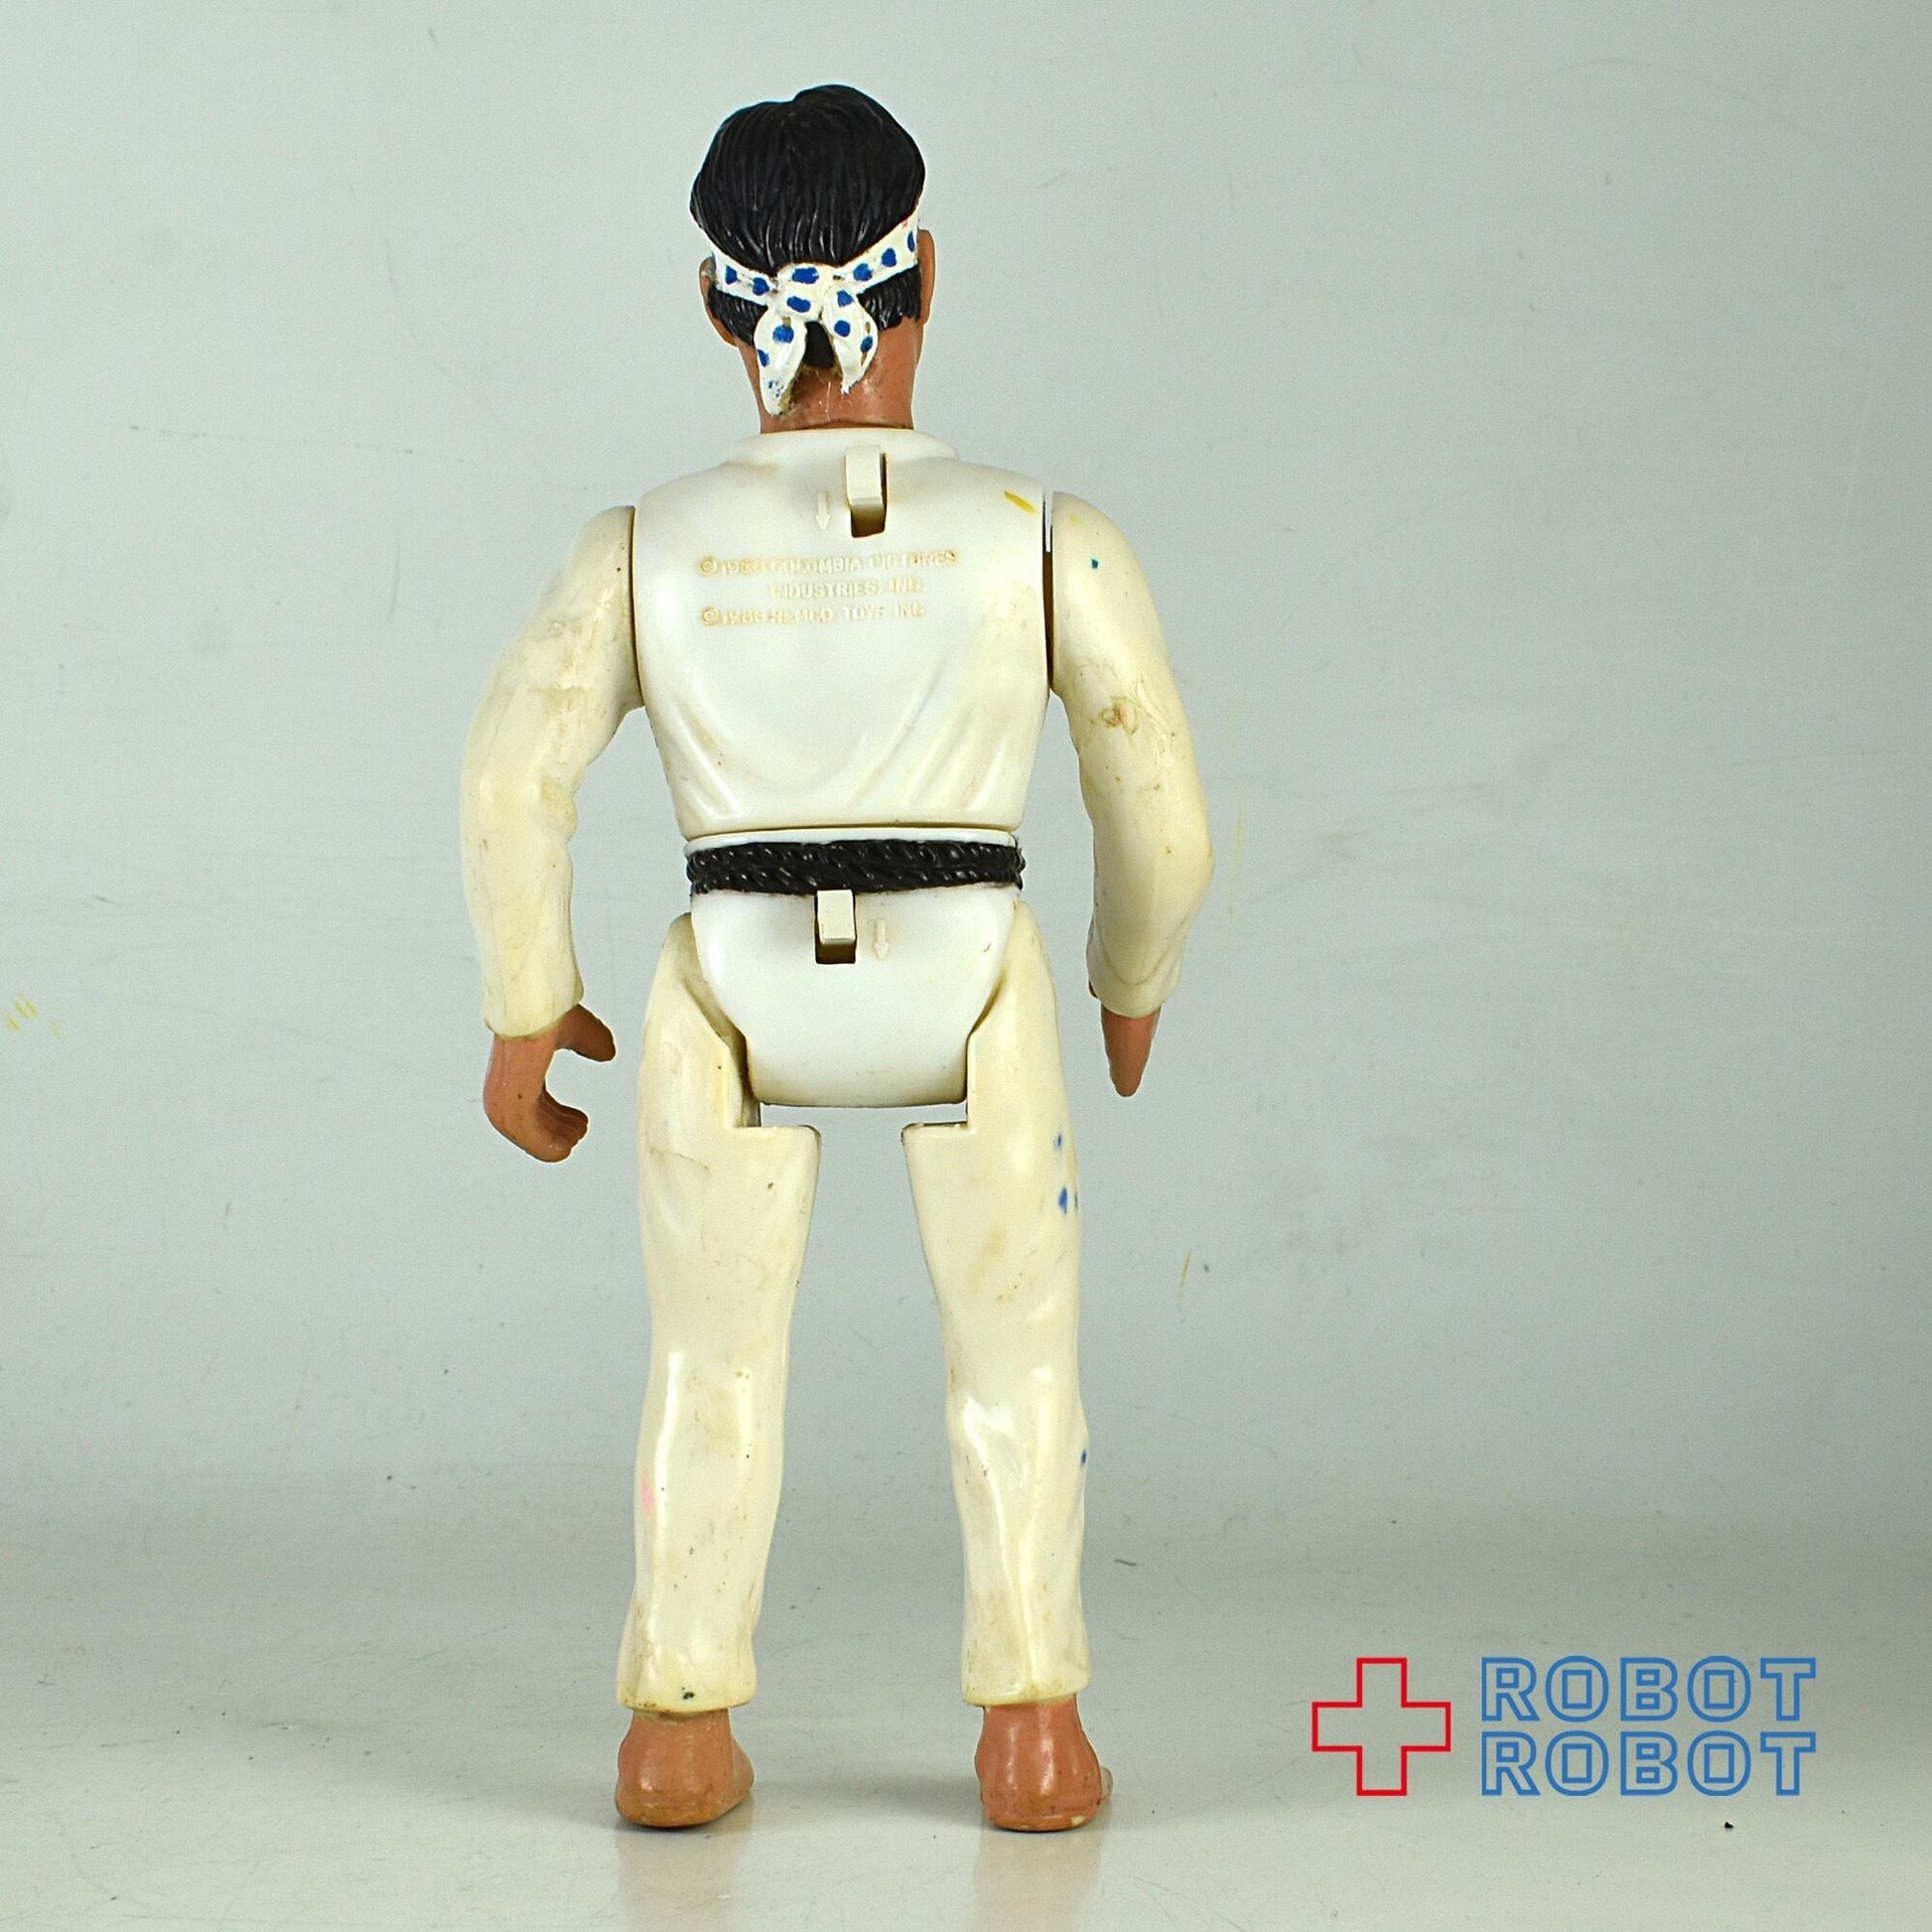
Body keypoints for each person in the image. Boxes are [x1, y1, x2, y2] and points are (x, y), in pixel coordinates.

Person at [461, 84, 1212, 1832]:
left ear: (715, 308)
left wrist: (523, 1004)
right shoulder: (1044, 532)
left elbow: (511, 771)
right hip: (971, 966)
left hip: (730, 975)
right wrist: (1130, 973)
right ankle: (1033, 1729)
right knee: (1017, 1359)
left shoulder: (642, 544)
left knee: (708, 1361)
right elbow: (1158, 806)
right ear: (926, 272)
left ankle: (675, 1729)